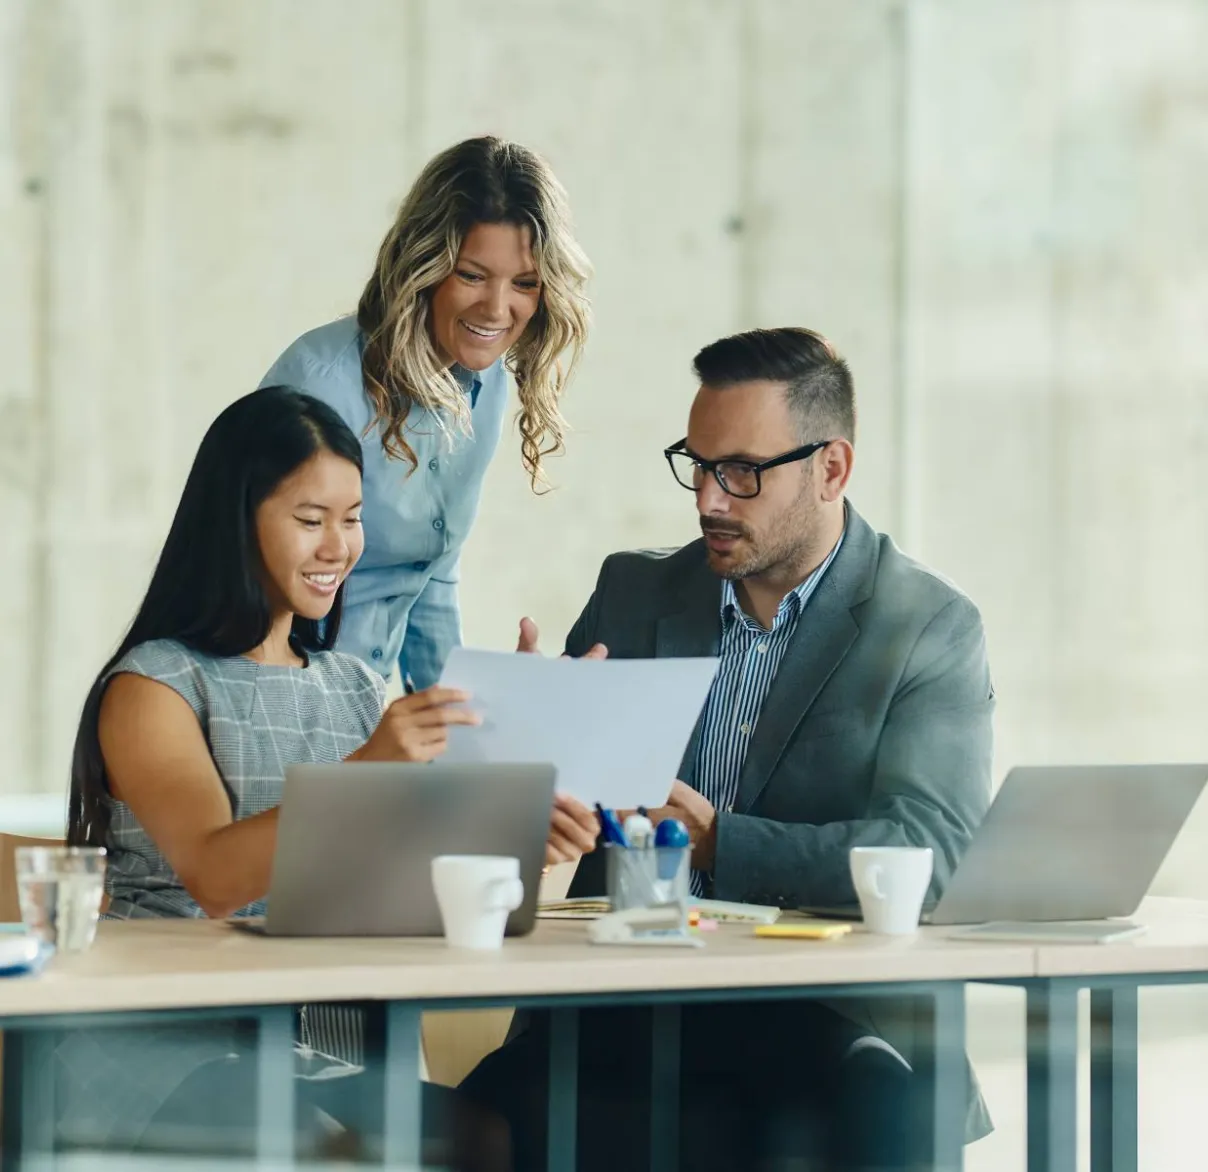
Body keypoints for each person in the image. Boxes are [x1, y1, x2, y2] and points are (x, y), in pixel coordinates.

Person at [466, 328, 996, 1171]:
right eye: (699, 465)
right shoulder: (634, 592)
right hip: (621, 1006)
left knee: (845, 1113)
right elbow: (538, 817)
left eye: (743, 472)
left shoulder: (925, 627)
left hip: (825, 1015)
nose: (710, 499)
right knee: (462, 1120)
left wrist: (722, 842)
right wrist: (521, 737)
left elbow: (934, 857)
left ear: (831, 469)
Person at [59, 386, 598, 1167]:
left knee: (478, 1139)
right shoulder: (155, 685)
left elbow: (402, 886)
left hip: (308, 1039)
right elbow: (215, 878)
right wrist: (371, 766)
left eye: (352, 518)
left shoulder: (353, 687)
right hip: (161, 1034)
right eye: (310, 520)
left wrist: (517, 803)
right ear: (235, 523)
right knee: (327, 1148)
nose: (339, 547)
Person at [260, 135, 591, 687]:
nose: (497, 309)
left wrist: (461, 716)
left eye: (525, 283)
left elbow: (429, 575)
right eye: (472, 275)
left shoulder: (487, 382)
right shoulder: (321, 385)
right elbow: (243, 577)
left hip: (365, 707)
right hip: (282, 698)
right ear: (424, 264)